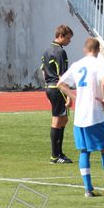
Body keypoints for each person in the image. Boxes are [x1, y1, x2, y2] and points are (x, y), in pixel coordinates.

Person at [57, 37, 104, 197]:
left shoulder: (77, 64)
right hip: (94, 114)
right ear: (97, 50)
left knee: (84, 151)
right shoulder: (98, 62)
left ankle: (88, 189)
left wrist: (75, 97)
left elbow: (60, 83)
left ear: (85, 49)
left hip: (79, 116)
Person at [41, 25, 74, 164]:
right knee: (58, 119)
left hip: (50, 87)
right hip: (57, 87)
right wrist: (68, 95)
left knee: (63, 119)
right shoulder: (60, 52)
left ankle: (58, 153)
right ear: (61, 36)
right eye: (68, 38)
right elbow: (63, 76)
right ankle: (55, 155)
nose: (69, 41)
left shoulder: (47, 50)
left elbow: (43, 71)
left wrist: (47, 89)